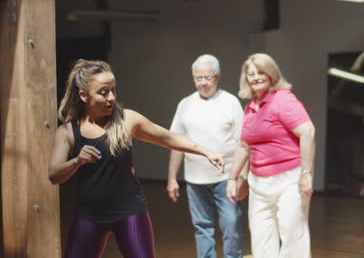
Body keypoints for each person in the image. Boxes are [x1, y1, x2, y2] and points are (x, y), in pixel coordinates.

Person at [49, 59, 224, 258]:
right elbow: (54, 175)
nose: (111, 97)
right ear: (83, 95)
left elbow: (167, 137)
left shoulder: (127, 120)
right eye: (103, 92)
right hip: (89, 215)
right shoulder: (67, 132)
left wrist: (206, 151)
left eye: (113, 90)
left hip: (129, 212)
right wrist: (77, 161)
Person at [227, 53, 315, 258]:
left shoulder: (283, 99)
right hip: (258, 183)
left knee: (292, 234)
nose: (255, 77)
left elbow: (307, 131)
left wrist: (306, 173)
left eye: (261, 72)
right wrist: (232, 178)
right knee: (261, 238)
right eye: (251, 74)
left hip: (289, 180)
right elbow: (243, 146)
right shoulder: (250, 107)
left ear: (272, 75)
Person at [167, 54, 248, 258]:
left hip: (226, 178)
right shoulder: (185, 104)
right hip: (195, 179)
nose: (203, 83)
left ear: (218, 76)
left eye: (207, 77)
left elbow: (244, 144)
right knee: (202, 226)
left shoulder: (230, 102)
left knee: (231, 224)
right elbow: (176, 142)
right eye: (198, 78)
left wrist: (242, 177)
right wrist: (171, 178)